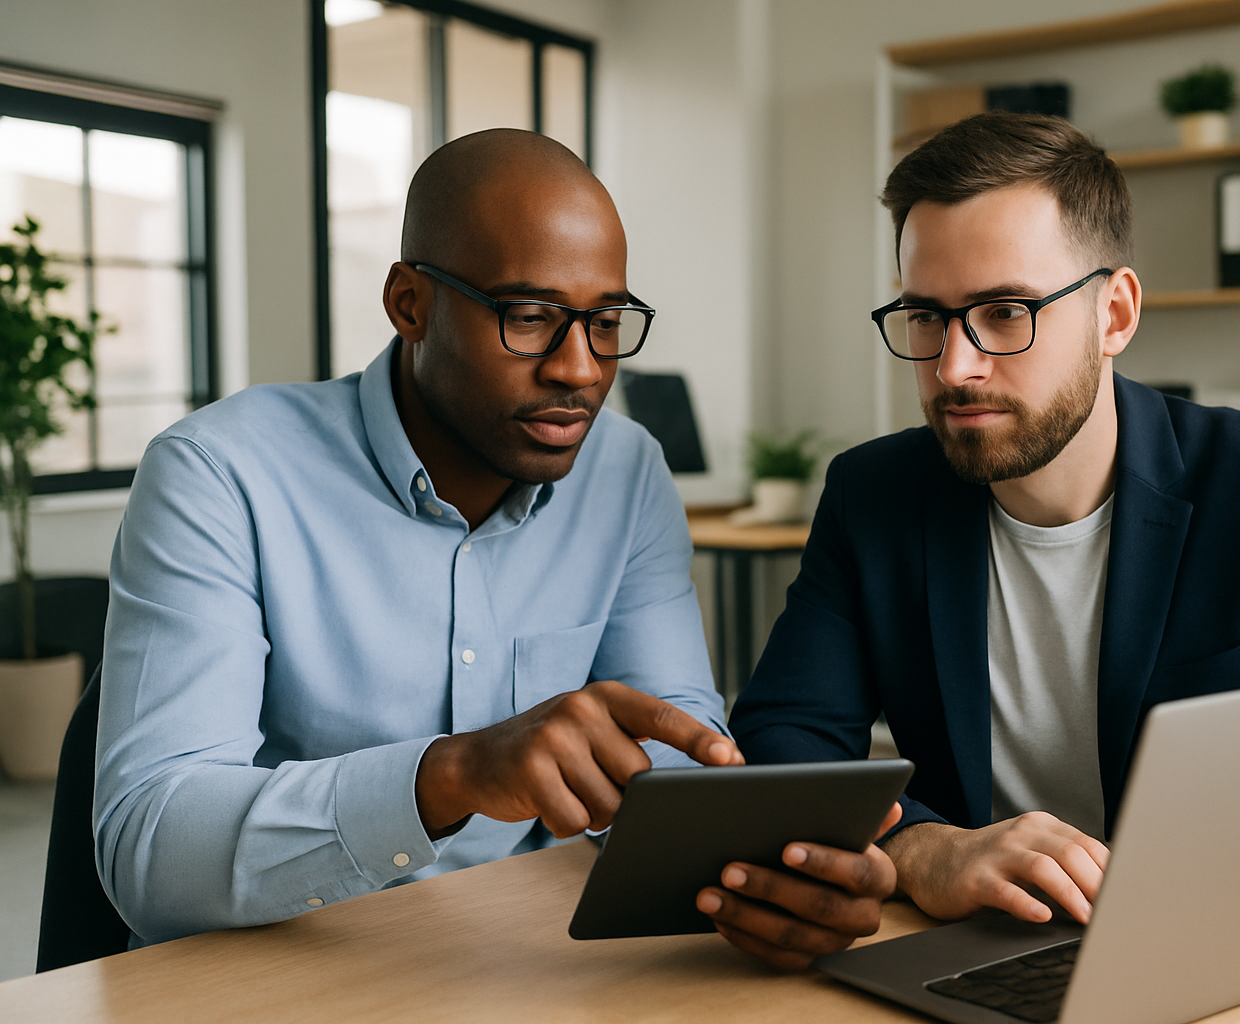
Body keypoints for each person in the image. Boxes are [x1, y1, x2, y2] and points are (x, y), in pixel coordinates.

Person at [96, 129, 894, 965]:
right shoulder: (219, 474)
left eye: (606, 321)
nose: (580, 370)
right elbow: (148, 850)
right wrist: (451, 775)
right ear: (410, 303)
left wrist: (763, 878)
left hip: (522, 962)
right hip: (276, 974)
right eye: (531, 318)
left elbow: (675, 754)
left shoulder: (626, 471)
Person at [729, 111, 1240, 928]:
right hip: (969, 947)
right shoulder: (875, 493)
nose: (953, 366)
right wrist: (923, 848)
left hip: (1207, 942)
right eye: (926, 316)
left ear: (1114, 314)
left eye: (1005, 311)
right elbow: (778, 748)